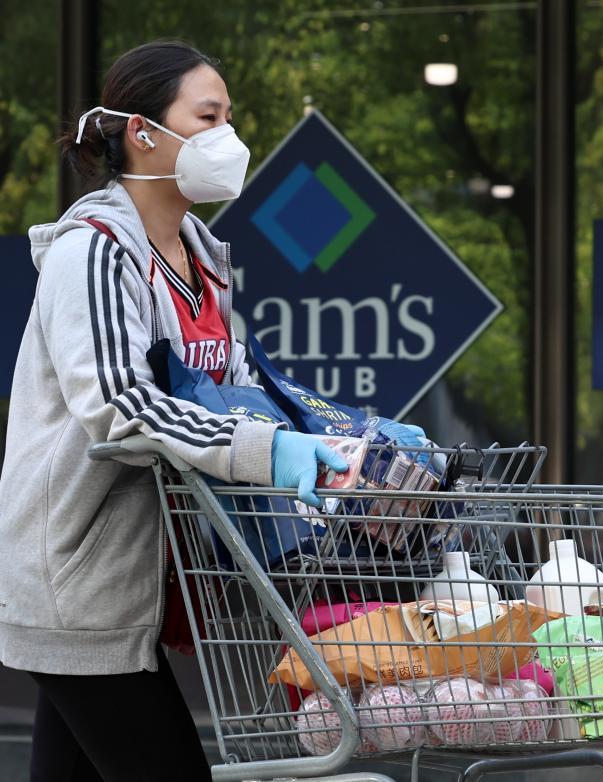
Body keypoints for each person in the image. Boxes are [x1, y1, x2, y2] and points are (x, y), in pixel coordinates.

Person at [0, 41, 421, 782]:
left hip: (143, 589)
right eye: (209, 116)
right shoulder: (94, 253)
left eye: (230, 117)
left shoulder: (202, 260)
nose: (229, 136)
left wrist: (356, 437)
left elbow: (241, 392)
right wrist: (272, 452)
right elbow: (120, 405)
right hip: (81, 583)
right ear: (143, 132)